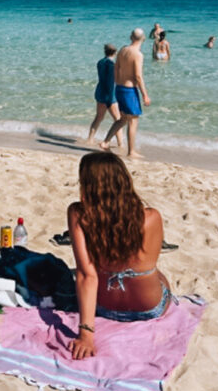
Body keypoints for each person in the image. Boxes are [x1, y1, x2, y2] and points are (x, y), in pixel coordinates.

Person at [68, 151, 173, 359]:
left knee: (86, 271)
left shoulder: (78, 214)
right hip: (148, 310)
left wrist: (86, 336)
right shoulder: (151, 217)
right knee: (157, 274)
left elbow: (86, 275)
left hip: (104, 308)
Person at [100, 29, 151, 159]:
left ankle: (105, 142)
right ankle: (131, 151)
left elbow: (116, 67)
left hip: (120, 88)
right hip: (129, 90)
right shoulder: (138, 54)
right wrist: (145, 94)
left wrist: (117, 81)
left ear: (130, 37)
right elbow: (138, 76)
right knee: (133, 121)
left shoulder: (123, 50)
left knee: (122, 119)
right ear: (143, 38)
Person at [87, 45, 121, 145]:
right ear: (115, 53)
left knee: (99, 117)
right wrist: (110, 98)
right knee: (118, 120)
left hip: (100, 91)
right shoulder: (112, 65)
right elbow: (110, 82)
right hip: (109, 93)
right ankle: (120, 143)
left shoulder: (100, 62)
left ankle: (90, 139)